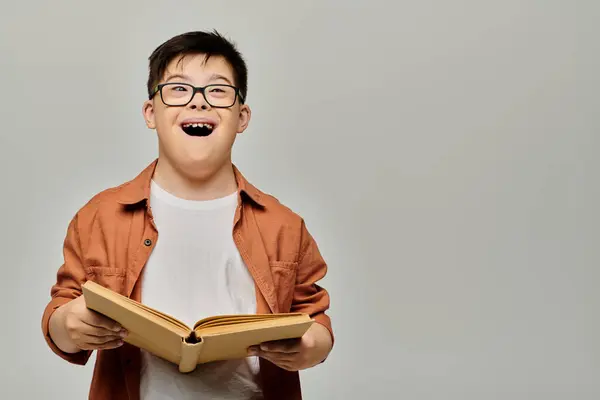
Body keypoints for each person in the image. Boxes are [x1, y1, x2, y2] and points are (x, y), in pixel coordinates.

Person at [41, 30, 333, 400]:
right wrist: (70, 323)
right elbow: (60, 317)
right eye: (178, 89)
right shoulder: (99, 216)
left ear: (242, 117)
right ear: (151, 112)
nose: (198, 103)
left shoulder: (285, 225)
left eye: (218, 90)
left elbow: (316, 322)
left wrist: (309, 347)